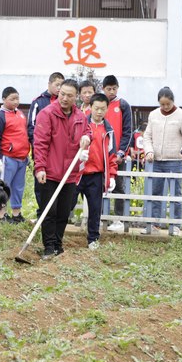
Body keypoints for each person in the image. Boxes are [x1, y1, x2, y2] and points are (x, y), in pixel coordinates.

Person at [33, 79, 92, 259]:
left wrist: (87, 137)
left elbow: (88, 131)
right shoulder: (47, 114)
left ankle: (58, 244)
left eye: (69, 95)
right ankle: (49, 247)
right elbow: (40, 143)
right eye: (62, 94)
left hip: (70, 173)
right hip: (50, 172)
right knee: (49, 211)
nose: (64, 98)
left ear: (77, 97)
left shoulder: (80, 117)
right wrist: (40, 167)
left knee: (64, 212)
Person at [142, 86, 182, 236]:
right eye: (162, 104)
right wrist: (149, 151)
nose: (165, 107)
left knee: (176, 194)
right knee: (156, 193)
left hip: (174, 160)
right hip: (156, 160)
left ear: (173, 101)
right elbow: (147, 136)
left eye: (168, 104)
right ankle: (155, 224)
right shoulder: (153, 115)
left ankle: (175, 224)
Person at [76, 93, 117, 250]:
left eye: (103, 109)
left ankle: (93, 238)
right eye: (96, 108)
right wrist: (79, 155)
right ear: (90, 107)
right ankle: (57, 236)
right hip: (78, 174)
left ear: (107, 109)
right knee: (67, 204)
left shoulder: (108, 130)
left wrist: (111, 175)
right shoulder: (81, 124)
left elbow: (111, 154)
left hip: (96, 175)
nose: (99, 112)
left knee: (95, 208)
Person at [28, 72, 65, 215]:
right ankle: (41, 213)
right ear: (49, 84)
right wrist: (38, 147)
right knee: (41, 182)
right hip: (41, 149)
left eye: (61, 85)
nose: (59, 88)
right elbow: (31, 127)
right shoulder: (39, 102)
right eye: (57, 85)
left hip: (58, 152)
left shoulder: (64, 103)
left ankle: (56, 213)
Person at [0, 86, 30, 224]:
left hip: (21, 157)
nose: (15, 101)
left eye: (17, 98)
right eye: (12, 99)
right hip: (7, 157)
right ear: (4, 99)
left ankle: (16, 214)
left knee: (18, 187)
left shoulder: (20, 113)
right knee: (3, 187)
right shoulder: (1, 115)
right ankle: (1, 215)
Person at [102, 75, 133, 234]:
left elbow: (128, 131)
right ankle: (99, 217)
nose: (112, 91)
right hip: (100, 154)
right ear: (103, 89)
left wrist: (121, 152)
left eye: (114, 88)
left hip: (117, 155)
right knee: (98, 186)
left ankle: (118, 219)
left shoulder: (123, 105)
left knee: (118, 187)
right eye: (109, 89)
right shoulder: (99, 104)